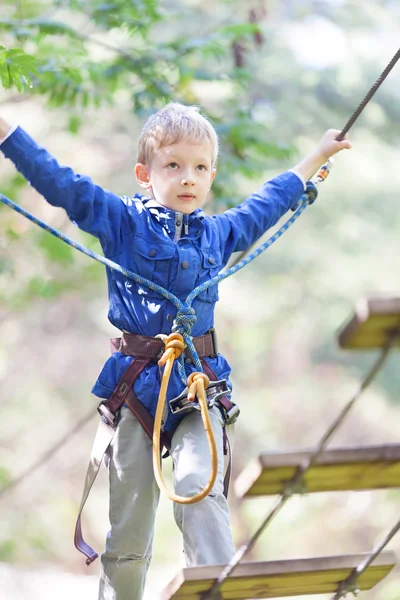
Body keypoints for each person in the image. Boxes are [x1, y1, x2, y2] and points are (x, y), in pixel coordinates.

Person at [0, 103, 351, 600]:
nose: (189, 178)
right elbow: (61, 183)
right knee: (129, 532)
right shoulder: (121, 222)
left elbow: (269, 202)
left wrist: (316, 155)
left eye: (201, 168)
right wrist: (5, 132)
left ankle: (214, 592)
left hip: (196, 385)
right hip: (135, 388)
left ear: (211, 175)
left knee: (199, 488)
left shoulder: (219, 234)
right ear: (145, 174)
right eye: (174, 166)